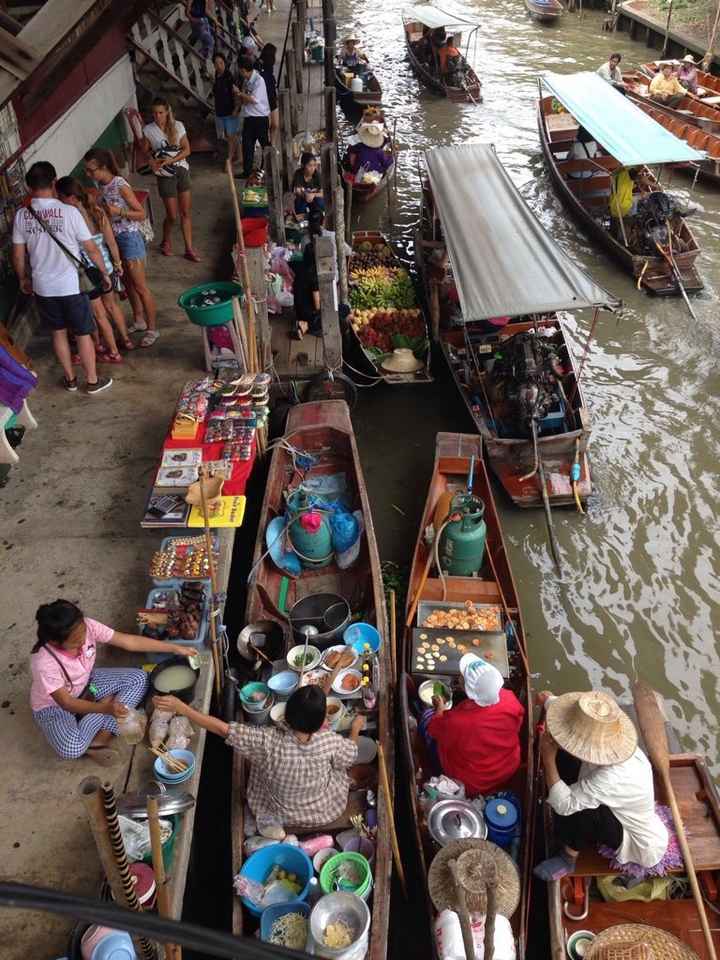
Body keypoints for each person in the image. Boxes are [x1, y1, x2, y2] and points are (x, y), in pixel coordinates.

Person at [153, 683, 365, 838]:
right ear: (321, 723)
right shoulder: (330, 742)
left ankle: (270, 826)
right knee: (339, 768)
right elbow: (350, 754)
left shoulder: (266, 740)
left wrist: (183, 708)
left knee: (257, 762)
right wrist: (355, 729)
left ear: (288, 714)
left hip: (281, 809)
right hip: (322, 809)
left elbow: (221, 728)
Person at [30, 599, 194, 765]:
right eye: (75, 642)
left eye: (83, 633)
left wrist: (175, 648)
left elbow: (129, 642)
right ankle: (104, 716)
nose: (82, 641)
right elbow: (67, 703)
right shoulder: (44, 662)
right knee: (72, 748)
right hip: (55, 707)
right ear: (55, 642)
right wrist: (105, 708)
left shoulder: (87, 626)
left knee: (139, 678)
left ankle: (98, 740)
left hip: (89, 685)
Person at [534, 690, 669, 881]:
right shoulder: (611, 741)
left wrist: (548, 759)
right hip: (610, 795)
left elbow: (564, 806)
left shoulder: (612, 777)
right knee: (564, 756)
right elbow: (572, 717)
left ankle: (568, 858)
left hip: (633, 838)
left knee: (584, 813)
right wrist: (548, 700)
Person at [11, 161, 113, 395]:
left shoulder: (21, 216)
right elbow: (91, 249)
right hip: (71, 285)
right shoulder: (69, 212)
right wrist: (104, 273)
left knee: (58, 333)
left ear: (29, 187)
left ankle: (70, 379)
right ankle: (92, 380)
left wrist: (22, 279)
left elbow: (17, 254)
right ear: (54, 182)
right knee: (82, 333)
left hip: (43, 287)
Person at [83, 149, 159, 347]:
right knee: (128, 284)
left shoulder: (120, 185)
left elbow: (141, 213)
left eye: (91, 170)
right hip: (114, 241)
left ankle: (152, 329)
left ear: (104, 167)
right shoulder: (101, 185)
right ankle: (139, 319)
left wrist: (118, 211)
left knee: (141, 287)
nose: (89, 175)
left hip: (129, 237)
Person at [425, 654, 525, 797]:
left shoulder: (460, 722)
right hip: (508, 766)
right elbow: (518, 724)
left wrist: (439, 709)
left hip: (474, 780)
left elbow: (435, 729)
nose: (460, 677)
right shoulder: (509, 698)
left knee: (426, 719)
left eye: (462, 677)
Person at [56, 177, 133, 358]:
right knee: (113, 306)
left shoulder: (70, 216)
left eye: (59, 196)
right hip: (106, 265)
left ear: (68, 197)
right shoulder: (97, 211)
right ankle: (125, 339)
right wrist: (117, 264)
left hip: (89, 271)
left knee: (98, 314)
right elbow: (111, 242)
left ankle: (109, 349)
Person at [142, 97, 200, 262]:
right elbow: (144, 152)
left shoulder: (178, 126)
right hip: (164, 174)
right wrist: (151, 161)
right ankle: (166, 241)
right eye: (154, 113)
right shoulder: (148, 130)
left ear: (167, 112)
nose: (157, 116)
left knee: (185, 212)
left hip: (182, 170)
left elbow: (187, 150)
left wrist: (170, 160)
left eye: (160, 112)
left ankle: (189, 248)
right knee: (172, 215)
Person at [237, 55, 271, 180]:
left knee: (265, 146)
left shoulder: (258, 80)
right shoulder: (247, 81)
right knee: (247, 145)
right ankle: (247, 171)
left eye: (240, 71)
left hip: (260, 118)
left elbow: (253, 99)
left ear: (243, 70)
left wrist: (240, 93)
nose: (240, 73)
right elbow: (246, 99)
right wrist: (242, 96)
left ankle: (267, 169)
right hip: (249, 117)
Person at [291, 213, 323, 339]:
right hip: (307, 313)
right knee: (334, 313)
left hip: (298, 309)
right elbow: (318, 305)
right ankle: (305, 325)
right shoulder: (314, 275)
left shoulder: (299, 268)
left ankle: (302, 323)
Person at [212, 53, 241, 168]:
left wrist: (236, 109)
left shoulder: (230, 77)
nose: (219, 66)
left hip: (230, 111)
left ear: (225, 63)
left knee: (231, 136)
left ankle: (229, 160)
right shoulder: (216, 75)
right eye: (216, 63)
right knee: (231, 136)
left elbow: (237, 94)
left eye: (221, 63)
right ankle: (239, 157)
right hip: (220, 111)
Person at [257, 43, 279, 142]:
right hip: (263, 100)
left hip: (272, 97)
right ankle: (266, 150)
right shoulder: (258, 65)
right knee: (267, 126)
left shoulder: (270, 65)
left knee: (275, 124)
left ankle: (272, 146)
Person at [292, 152, 323, 219]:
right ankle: (302, 216)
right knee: (299, 204)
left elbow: (322, 193)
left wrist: (313, 195)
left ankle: (317, 216)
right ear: (303, 165)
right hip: (303, 198)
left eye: (314, 165)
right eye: (310, 165)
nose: (313, 168)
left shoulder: (317, 175)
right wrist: (305, 195)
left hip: (314, 199)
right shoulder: (298, 173)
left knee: (320, 202)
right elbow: (297, 190)